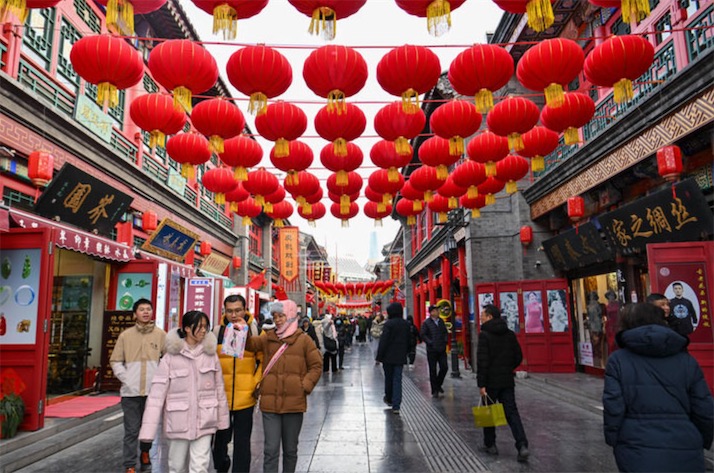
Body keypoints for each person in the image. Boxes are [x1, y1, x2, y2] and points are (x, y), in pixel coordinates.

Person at [603, 303, 713, 472]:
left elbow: (613, 405)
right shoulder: (686, 360)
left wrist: (613, 438)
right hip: (684, 441)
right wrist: (702, 439)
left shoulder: (618, 360)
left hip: (636, 443)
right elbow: (704, 408)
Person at [139, 311, 229, 473]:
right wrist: (147, 433)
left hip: (205, 420)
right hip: (177, 422)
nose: (203, 331)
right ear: (187, 328)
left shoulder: (211, 355)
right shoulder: (171, 357)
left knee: (200, 466)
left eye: (205, 327)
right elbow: (156, 396)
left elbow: (219, 391)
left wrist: (223, 423)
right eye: (200, 327)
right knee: (176, 466)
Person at [241, 300, 323, 473]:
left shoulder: (304, 340)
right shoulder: (268, 337)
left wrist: (304, 386)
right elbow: (250, 345)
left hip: (294, 404)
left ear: (292, 315)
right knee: (270, 449)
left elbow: (316, 365)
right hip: (270, 403)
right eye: (275, 316)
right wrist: (243, 328)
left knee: (290, 449)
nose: (277, 320)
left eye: (282, 316)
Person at [110, 298, 166, 473]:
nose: (145, 312)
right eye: (141, 309)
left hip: (152, 392)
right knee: (132, 430)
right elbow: (116, 360)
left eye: (148, 309)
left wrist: (161, 378)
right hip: (130, 392)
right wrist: (126, 378)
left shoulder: (160, 335)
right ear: (135, 313)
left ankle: (145, 453)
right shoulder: (125, 336)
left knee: (148, 428)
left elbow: (168, 359)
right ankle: (129, 464)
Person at [211, 294, 262, 473]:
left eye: (238, 310)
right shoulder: (217, 332)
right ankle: (221, 465)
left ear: (245, 309)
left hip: (245, 397)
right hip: (221, 396)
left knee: (242, 441)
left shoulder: (255, 331)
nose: (234, 315)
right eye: (230, 311)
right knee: (219, 440)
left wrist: (254, 383)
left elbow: (264, 361)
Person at [476, 304, 529, 463]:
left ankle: (490, 444)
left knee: (489, 412)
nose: (481, 318)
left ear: (490, 317)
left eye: (483, 315)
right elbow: (518, 356)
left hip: (491, 381)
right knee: (512, 412)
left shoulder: (484, 335)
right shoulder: (509, 334)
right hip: (506, 380)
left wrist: (481, 383)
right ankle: (522, 445)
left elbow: (482, 361)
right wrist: (507, 368)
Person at [376, 302, 410, 415]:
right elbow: (410, 340)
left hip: (388, 357)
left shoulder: (388, 324)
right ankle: (396, 405)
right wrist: (408, 352)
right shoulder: (405, 324)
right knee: (397, 380)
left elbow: (384, 341)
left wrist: (379, 356)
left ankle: (389, 398)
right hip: (400, 356)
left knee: (389, 378)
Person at [420, 305, 448, 398]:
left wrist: (445, 341)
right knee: (433, 370)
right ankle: (434, 389)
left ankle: (438, 384)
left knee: (444, 367)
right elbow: (423, 334)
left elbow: (445, 332)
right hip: (432, 350)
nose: (438, 312)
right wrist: (430, 342)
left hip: (441, 349)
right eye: (436, 310)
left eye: (438, 310)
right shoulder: (426, 323)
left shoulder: (441, 321)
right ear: (431, 312)